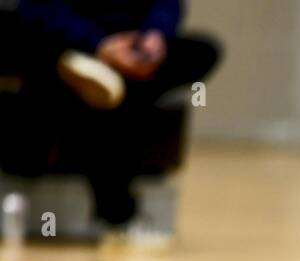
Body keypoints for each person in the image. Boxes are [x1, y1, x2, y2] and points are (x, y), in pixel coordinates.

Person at [12, 0, 220, 229]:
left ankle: (105, 83)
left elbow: (167, 3)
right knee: (28, 40)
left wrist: (155, 36)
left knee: (203, 50)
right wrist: (99, 44)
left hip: (130, 51)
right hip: (68, 44)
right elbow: (36, 9)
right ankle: (117, 208)